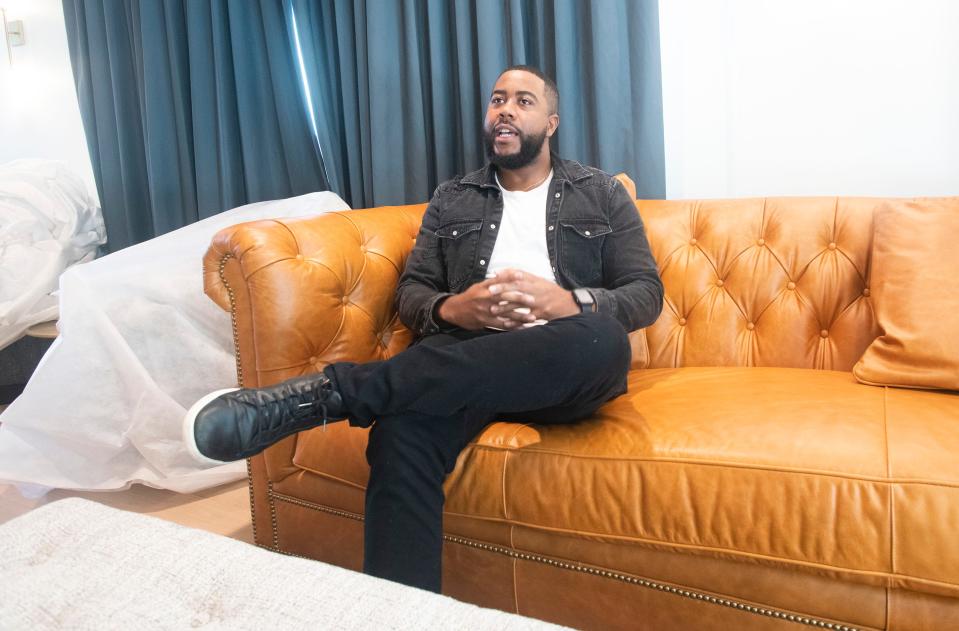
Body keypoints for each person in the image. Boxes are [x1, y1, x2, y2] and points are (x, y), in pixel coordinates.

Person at [183, 65, 664, 593]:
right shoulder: (453, 197)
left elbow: (645, 293)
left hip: (558, 362)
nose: (504, 109)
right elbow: (413, 295)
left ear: (551, 123)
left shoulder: (600, 193)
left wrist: (566, 300)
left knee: (600, 340)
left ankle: (330, 395)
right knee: (401, 430)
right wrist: (458, 311)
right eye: (497, 99)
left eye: (522, 102)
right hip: (459, 362)